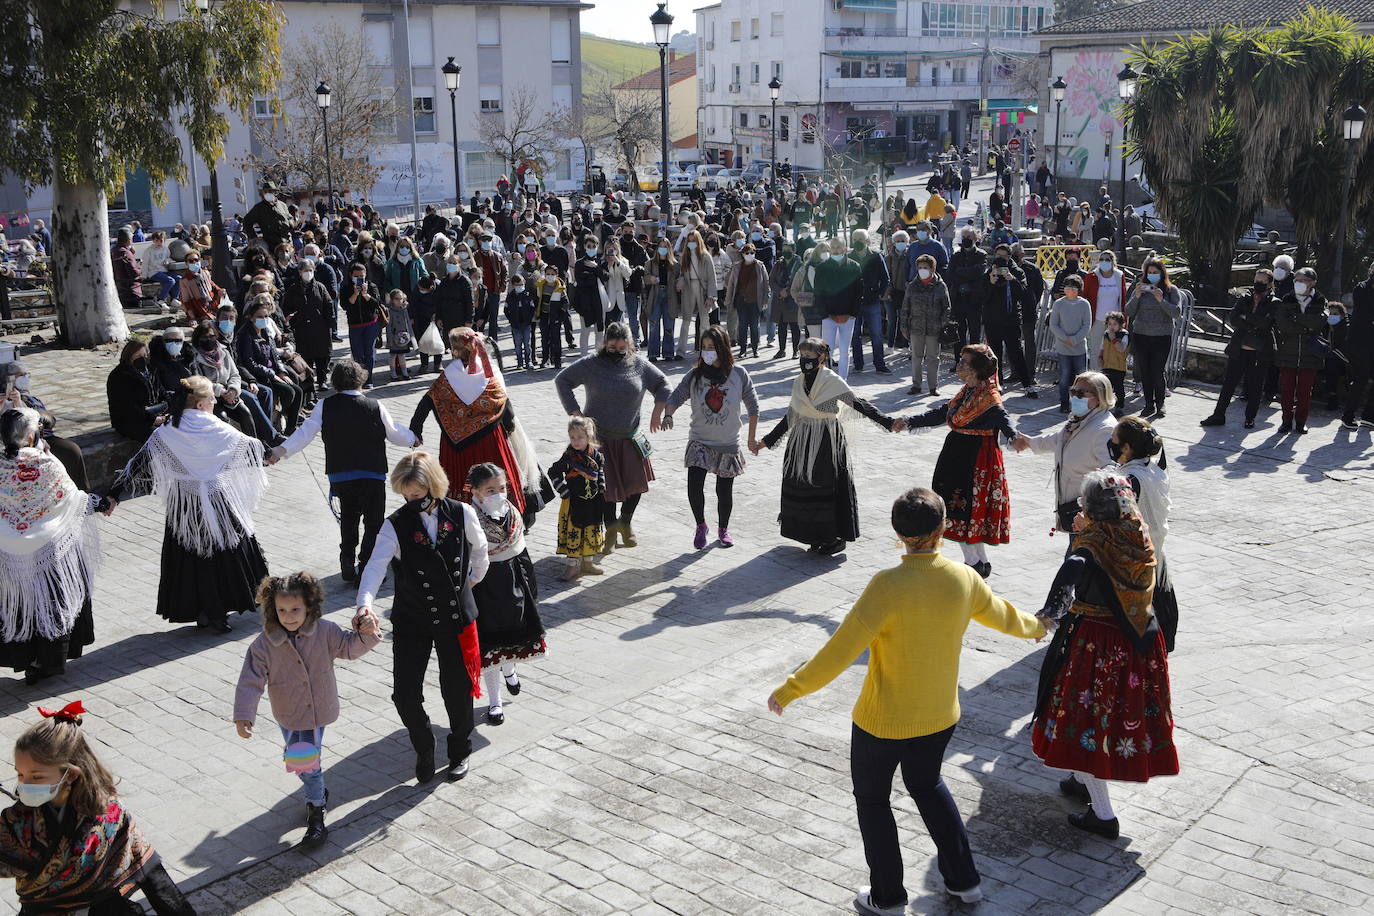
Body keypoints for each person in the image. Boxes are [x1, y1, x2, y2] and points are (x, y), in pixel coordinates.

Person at [767, 487, 1046, 914]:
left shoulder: (887, 586)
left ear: (897, 533)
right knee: (928, 785)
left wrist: (792, 688)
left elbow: (840, 650)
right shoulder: (964, 578)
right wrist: (1039, 627)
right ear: (943, 528)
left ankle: (889, 898)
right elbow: (1006, 616)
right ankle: (965, 882)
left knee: (873, 801)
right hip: (940, 715)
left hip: (882, 722)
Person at [1031, 470, 1178, 838]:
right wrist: (1091, 528)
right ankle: (1079, 781)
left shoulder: (1093, 545)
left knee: (1087, 724)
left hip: (1098, 645)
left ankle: (1103, 814)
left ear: (1093, 509)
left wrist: (1048, 615)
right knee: (1110, 721)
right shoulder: (1137, 533)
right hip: (1141, 640)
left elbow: (1073, 571)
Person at [356, 452, 487, 783]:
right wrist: (364, 605)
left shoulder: (462, 512)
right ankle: (424, 746)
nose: (412, 500)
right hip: (412, 618)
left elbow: (481, 549)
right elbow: (374, 567)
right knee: (404, 693)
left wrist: (470, 582)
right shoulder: (394, 525)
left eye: (417, 493)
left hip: (454, 616)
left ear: (433, 485)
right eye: (406, 494)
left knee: (456, 689)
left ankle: (460, 750)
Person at [104, 376, 269, 633]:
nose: (215, 401)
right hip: (217, 500)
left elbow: (138, 463)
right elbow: (252, 446)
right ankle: (219, 611)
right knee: (225, 553)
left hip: (185, 505)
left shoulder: (168, 431)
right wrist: (275, 452)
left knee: (191, 558)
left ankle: (204, 611)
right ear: (201, 404)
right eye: (212, 398)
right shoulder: (216, 426)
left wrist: (114, 495)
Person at [1, 704, 195, 914]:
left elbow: (152, 873)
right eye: (20, 774)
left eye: (37, 776)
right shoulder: (15, 820)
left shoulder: (110, 813)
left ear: (71, 774)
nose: (24, 784)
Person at [234, 573, 381, 846]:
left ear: (309, 606)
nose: (288, 616)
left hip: (317, 710)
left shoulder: (325, 630)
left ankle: (316, 813)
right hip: (288, 712)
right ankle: (317, 789)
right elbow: (250, 681)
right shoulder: (264, 644)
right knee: (300, 760)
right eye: (282, 610)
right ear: (272, 609)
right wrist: (244, 715)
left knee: (308, 763)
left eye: (295, 610)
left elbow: (350, 648)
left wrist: (368, 632)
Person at [271, 359, 419, 582]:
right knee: (373, 523)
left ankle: (347, 560)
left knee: (349, 518)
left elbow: (305, 433)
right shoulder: (375, 406)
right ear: (361, 379)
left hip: (340, 474)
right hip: (372, 474)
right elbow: (395, 433)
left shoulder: (324, 405)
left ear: (336, 382)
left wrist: (281, 450)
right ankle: (366, 565)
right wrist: (413, 439)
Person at [753, 338, 898, 556]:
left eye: (809, 356)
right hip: (802, 441)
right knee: (802, 483)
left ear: (822, 357)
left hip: (826, 440)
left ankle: (833, 538)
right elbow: (790, 417)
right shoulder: (799, 382)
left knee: (826, 485)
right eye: (802, 355)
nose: (804, 360)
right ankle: (812, 535)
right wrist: (765, 442)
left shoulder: (832, 381)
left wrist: (887, 422)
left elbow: (858, 404)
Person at [894, 345, 1017, 578]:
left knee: (964, 508)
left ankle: (973, 563)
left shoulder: (989, 397)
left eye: (964, 362)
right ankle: (980, 560)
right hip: (956, 455)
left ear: (977, 369)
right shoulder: (967, 391)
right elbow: (942, 412)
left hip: (975, 461)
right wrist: (909, 420)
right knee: (956, 505)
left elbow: (1004, 419)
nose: (959, 366)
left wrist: (1015, 437)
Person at [0, 409, 99, 685]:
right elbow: (72, 498)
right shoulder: (48, 463)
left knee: (19, 605)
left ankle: (25, 657)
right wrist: (100, 503)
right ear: (32, 435)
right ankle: (45, 661)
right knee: (49, 602)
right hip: (47, 549)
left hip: (9, 551)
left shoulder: (1, 465)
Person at [555, 322, 669, 549]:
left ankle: (625, 523)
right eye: (612, 347)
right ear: (604, 344)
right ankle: (611, 528)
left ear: (630, 345)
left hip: (629, 437)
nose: (617, 351)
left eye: (622, 347)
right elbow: (562, 380)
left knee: (635, 485)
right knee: (605, 489)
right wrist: (576, 413)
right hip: (600, 440)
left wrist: (657, 413)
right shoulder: (591, 364)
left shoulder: (639, 365)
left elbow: (663, 384)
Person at [658, 327, 760, 550]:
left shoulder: (739, 374)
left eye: (711, 347)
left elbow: (753, 407)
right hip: (700, 440)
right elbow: (676, 396)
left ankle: (723, 529)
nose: (707, 352)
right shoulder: (694, 375)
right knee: (694, 485)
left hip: (728, 443)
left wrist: (751, 438)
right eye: (704, 347)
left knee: (724, 491)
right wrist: (668, 414)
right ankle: (700, 525)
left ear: (722, 348)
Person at [466, 462, 545, 724]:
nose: (499, 494)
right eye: (490, 490)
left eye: (502, 488)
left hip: (515, 580)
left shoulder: (512, 513)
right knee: (491, 645)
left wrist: (530, 588)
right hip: (486, 585)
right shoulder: (469, 518)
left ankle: (510, 670)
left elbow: (522, 553)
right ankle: (495, 702)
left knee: (512, 636)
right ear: (475, 492)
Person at [1012, 371, 1116, 536]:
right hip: (1072, 508)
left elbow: (1112, 471)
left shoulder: (1104, 429)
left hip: (1089, 514)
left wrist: (1091, 507)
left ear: (1099, 398)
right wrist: (1030, 442)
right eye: (1073, 391)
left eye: (1081, 393)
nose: (1074, 397)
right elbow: (1058, 439)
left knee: (1079, 551)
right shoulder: (1078, 420)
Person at [1110, 416, 1176, 651]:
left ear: (1126, 448)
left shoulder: (1129, 481)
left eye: (1114, 440)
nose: (1111, 444)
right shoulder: (1154, 469)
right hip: (1156, 553)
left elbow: (1114, 519)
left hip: (1135, 566)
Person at [1200, 270, 1276, 430]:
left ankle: (1250, 418)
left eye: (1262, 281)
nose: (1258, 284)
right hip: (1239, 348)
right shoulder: (1245, 297)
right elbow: (1234, 318)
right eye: (1256, 280)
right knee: (1229, 384)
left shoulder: (1274, 302)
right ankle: (1218, 415)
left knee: (1255, 387)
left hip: (1259, 352)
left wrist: (1247, 317)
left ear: (1270, 284)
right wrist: (1254, 322)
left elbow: (1266, 324)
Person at [1272, 266, 1329, 435]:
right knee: (1287, 390)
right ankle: (1286, 421)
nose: (1298, 283)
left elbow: (1318, 323)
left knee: (1305, 392)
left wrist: (1296, 318)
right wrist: (1306, 325)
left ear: (1312, 283)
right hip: (1288, 351)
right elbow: (1283, 324)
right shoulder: (1287, 298)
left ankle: (1301, 422)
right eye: (1296, 280)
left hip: (1310, 353)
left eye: (1303, 280)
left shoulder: (1320, 300)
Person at [548, 416, 607, 579]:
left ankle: (588, 563)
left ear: (589, 437)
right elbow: (553, 472)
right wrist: (563, 490)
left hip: (592, 502)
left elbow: (600, 471)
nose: (576, 441)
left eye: (580, 437)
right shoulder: (568, 457)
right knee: (574, 531)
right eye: (572, 437)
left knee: (590, 530)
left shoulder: (596, 455)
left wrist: (601, 487)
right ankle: (572, 566)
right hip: (573, 502)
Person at [1125, 257, 1183, 420]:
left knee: (1157, 372)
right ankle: (1148, 404)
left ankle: (1160, 403)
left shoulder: (1171, 290)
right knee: (1145, 372)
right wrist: (1136, 296)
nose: (1152, 275)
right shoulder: (1140, 288)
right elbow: (1129, 311)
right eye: (1149, 272)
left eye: (1155, 272)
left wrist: (1161, 300)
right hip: (1141, 335)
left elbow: (1176, 313)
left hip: (1161, 337)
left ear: (1162, 273)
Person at [237, 298, 303, 435]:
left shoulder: (265, 331)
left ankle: (291, 427)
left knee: (298, 390)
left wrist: (281, 372)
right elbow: (250, 363)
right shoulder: (246, 335)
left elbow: (274, 355)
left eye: (266, 316)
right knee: (289, 392)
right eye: (260, 316)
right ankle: (277, 417)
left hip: (273, 372)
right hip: (261, 375)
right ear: (251, 317)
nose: (264, 319)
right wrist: (272, 375)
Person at [281, 258, 334, 389]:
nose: (308, 273)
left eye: (311, 270)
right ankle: (309, 387)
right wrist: (292, 321)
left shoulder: (320, 287)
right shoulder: (293, 290)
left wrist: (329, 323)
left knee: (322, 356)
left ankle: (322, 380)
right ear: (300, 272)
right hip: (302, 329)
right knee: (305, 358)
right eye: (305, 270)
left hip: (320, 328)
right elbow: (286, 309)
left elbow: (328, 305)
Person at [903, 254, 950, 397]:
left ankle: (933, 387)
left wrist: (942, 324)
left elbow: (947, 308)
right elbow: (905, 307)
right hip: (916, 327)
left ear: (932, 268)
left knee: (933, 358)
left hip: (934, 329)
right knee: (916, 357)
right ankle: (916, 385)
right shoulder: (912, 286)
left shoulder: (940, 286)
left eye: (926, 267)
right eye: (920, 267)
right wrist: (904, 326)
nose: (922, 270)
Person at [815, 238, 862, 379]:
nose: (835, 250)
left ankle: (843, 380)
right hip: (828, 316)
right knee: (826, 350)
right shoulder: (822, 267)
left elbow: (858, 292)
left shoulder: (854, 266)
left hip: (848, 317)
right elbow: (818, 293)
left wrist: (852, 313)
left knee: (844, 351)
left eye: (838, 247)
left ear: (845, 248)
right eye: (833, 247)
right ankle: (826, 379)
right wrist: (825, 314)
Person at [848, 229, 892, 375]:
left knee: (877, 334)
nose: (858, 242)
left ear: (867, 240)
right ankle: (858, 365)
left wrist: (879, 294)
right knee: (855, 335)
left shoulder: (876, 256)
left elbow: (885, 278)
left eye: (861, 239)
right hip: (854, 303)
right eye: (855, 239)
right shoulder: (849, 257)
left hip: (872, 301)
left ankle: (879, 364)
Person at [105, 339, 164, 444]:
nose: (142, 359)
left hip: (153, 414)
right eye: (138, 356)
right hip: (130, 422)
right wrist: (153, 419)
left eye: (144, 355)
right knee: (161, 437)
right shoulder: (119, 376)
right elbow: (128, 407)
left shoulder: (150, 370)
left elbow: (161, 391)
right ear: (129, 357)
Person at [1048, 276, 1093, 412]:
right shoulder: (1058, 303)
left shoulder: (1085, 304)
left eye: (1073, 287)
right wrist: (1065, 338)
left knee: (1082, 377)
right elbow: (1054, 324)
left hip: (1079, 347)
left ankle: (1082, 403)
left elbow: (1086, 325)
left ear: (1079, 289)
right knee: (1064, 376)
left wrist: (1075, 339)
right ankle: (1064, 402)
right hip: (1063, 347)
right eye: (1067, 286)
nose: (1070, 289)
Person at [723, 242, 769, 359]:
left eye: (752, 253)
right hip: (741, 301)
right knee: (742, 325)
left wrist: (765, 299)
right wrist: (728, 299)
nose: (750, 255)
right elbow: (731, 284)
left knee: (754, 326)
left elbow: (765, 283)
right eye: (747, 253)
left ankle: (755, 349)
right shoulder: (737, 266)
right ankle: (742, 349)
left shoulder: (760, 266)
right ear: (743, 254)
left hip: (755, 301)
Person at [676, 230, 717, 358]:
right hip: (688, 287)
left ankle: (704, 351)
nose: (691, 243)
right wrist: (680, 280)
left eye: (693, 240)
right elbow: (681, 273)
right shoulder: (685, 256)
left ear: (698, 241)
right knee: (685, 321)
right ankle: (680, 352)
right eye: (689, 241)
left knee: (704, 321)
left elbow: (712, 278)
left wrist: (711, 296)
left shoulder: (706, 256)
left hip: (702, 288)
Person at [1342, 264, 1374, 430]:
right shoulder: (1361, 288)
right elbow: (1365, 313)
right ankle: (1348, 416)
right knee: (1361, 378)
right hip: (1360, 342)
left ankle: (1369, 416)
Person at [343, 261, 384, 387]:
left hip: (370, 324)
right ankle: (359, 379)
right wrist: (355, 294)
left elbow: (377, 303)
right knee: (357, 354)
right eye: (356, 276)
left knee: (369, 353)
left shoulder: (371, 286)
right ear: (351, 275)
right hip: (355, 325)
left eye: (361, 276)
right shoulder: (346, 288)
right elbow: (345, 305)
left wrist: (366, 295)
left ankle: (369, 379)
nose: (359, 278)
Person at [1083, 251, 1125, 370]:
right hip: (1097, 320)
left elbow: (1123, 298)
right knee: (1095, 351)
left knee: (1113, 351)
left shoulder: (1119, 276)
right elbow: (1085, 295)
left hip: (1114, 322)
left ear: (1113, 262)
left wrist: (1123, 320)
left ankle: (1111, 378)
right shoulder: (1092, 276)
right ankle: (1094, 377)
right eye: (1101, 260)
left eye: (1107, 260)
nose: (1104, 262)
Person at [948, 226, 987, 354]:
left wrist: (960, 272)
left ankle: (974, 360)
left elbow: (979, 272)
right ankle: (959, 360)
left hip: (974, 300)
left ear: (975, 238)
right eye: (964, 237)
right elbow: (951, 274)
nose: (966, 239)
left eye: (969, 237)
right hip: (958, 299)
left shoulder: (981, 255)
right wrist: (969, 274)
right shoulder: (956, 255)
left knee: (974, 333)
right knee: (959, 334)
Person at [642, 240, 680, 362]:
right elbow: (645, 278)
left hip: (670, 296)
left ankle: (668, 353)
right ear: (657, 248)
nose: (663, 249)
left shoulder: (675, 264)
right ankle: (653, 353)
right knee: (654, 325)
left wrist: (679, 282)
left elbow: (679, 279)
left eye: (665, 247)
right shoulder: (650, 263)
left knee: (669, 326)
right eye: (661, 246)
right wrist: (651, 278)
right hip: (655, 295)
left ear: (669, 249)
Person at [536, 265, 572, 369]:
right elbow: (537, 300)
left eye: (552, 274)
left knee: (556, 339)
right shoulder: (541, 286)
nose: (550, 276)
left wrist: (560, 318)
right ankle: (545, 359)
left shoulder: (560, 288)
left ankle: (557, 360)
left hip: (555, 317)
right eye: (548, 274)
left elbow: (566, 304)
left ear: (556, 275)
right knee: (544, 338)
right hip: (544, 315)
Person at [243, 182, 294, 250]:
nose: (267, 193)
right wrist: (253, 237)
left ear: (275, 192)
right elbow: (246, 221)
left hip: (287, 242)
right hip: (271, 244)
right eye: (265, 192)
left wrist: (291, 223)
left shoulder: (282, 205)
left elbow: (289, 217)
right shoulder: (258, 208)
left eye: (270, 191)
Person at [1098, 311, 1130, 414]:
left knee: (1118, 388)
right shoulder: (1106, 334)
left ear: (1121, 325)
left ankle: (1119, 406)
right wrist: (1100, 357)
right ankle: (1104, 406)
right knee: (1106, 387)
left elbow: (1121, 349)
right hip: (1107, 365)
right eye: (1110, 324)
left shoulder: (1124, 335)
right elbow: (1102, 347)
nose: (1112, 326)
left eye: (1115, 324)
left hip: (1118, 367)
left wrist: (1114, 339)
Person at [504, 273, 537, 371]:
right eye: (518, 285)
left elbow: (532, 308)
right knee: (518, 345)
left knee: (527, 343)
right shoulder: (510, 296)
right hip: (515, 325)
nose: (520, 287)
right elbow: (506, 310)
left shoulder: (527, 295)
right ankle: (519, 362)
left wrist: (529, 319)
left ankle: (529, 361)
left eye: (522, 284)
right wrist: (511, 320)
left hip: (526, 324)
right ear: (513, 285)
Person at [384, 289, 416, 382]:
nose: (399, 301)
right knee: (393, 355)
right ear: (392, 300)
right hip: (394, 337)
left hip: (403, 337)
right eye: (396, 299)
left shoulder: (404, 310)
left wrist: (410, 336)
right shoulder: (389, 311)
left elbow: (408, 323)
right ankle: (393, 373)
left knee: (402, 355)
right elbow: (388, 326)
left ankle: (404, 372)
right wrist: (390, 338)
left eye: (401, 298)